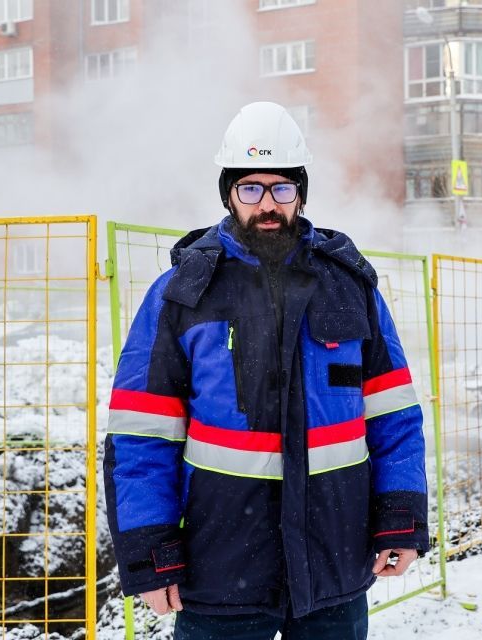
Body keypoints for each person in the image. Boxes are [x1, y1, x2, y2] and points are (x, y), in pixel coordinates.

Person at [103, 102, 429, 639]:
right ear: (228, 193)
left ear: (301, 192)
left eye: (281, 188)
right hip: (220, 569)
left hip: (334, 562)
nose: (268, 204)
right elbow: (141, 435)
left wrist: (400, 517)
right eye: (251, 188)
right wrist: (150, 550)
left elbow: (395, 413)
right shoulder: (184, 294)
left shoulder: (349, 286)